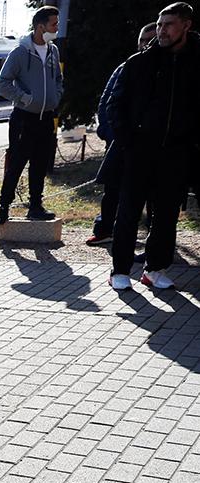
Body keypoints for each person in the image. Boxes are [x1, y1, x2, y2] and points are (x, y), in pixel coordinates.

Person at [109, 2, 199, 290]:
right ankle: (120, 271)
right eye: (159, 24)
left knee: (166, 217)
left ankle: (155, 269)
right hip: (138, 153)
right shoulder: (138, 63)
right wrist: (128, 142)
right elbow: (115, 106)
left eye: (168, 24)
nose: (161, 30)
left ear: (186, 25)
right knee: (128, 213)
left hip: (177, 154)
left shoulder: (197, 64)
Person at [88, 22, 158, 247]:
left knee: (152, 196)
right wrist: (111, 134)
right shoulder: (127, 67)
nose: (147, 44)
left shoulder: (166, 70)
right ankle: (105, 229)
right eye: (143, 40)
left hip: (151, 145)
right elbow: (107, 102)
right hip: (120, 142)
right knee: (113, 189)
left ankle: (151, 239)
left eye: (152, 39)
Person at [0, 5, 64, 224]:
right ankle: (3, 207)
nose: (57, 28)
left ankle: (35, 206)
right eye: (54, 24)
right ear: (40, 26)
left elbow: (58, 79)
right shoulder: (20, 52)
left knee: (40, 164)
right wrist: (25, 98)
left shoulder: (53, 51)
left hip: (46, 118)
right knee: (16, 163)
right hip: (24, 118)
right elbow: (2, 83)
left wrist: (56, 96)